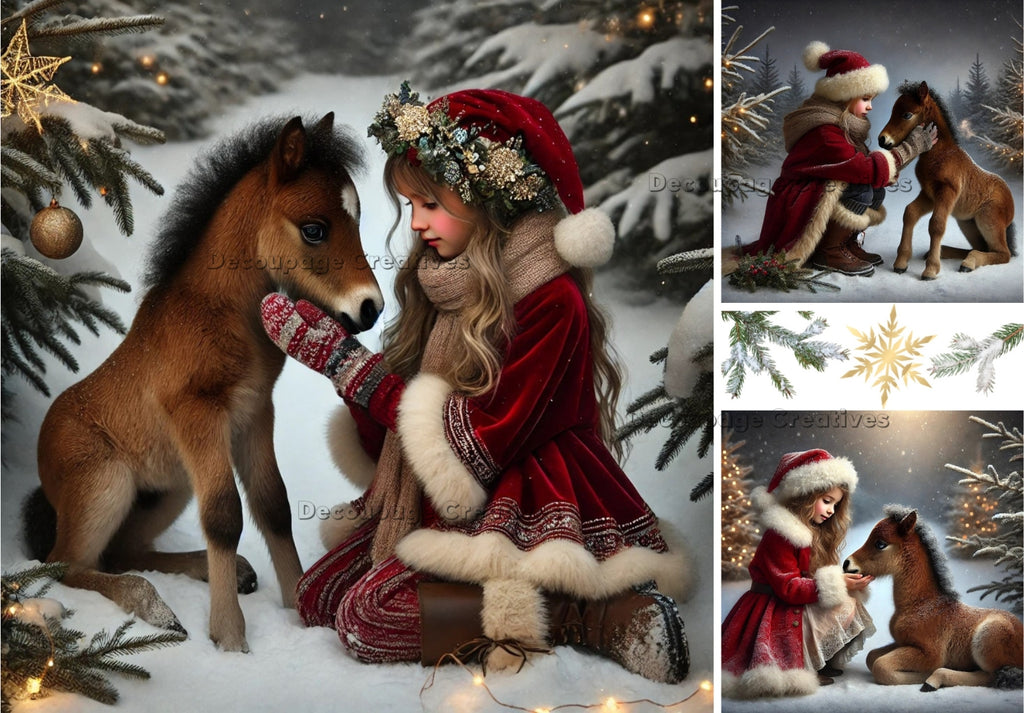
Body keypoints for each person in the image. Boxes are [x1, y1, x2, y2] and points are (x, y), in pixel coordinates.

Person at [259, 83, 691, 683]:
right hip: (448, 499)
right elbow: (399, 431)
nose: (414, 223)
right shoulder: (449, 283)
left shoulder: (550, 300)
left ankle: (589, 614)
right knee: (319, 594)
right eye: (408, 204)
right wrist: (340, 367)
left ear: (488, 199)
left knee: (370, 618)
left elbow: (475, 447)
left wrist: (348, 367)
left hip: (526, 494)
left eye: (429, 202)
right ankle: (532, 606)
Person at [740, 42, 937, 276]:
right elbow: (863, 169)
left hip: (814, 192)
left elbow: (871, 170)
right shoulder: (824, 131)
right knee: (862, 189)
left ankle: (845, 244)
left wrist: (895, 161)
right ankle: (829, 250)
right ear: (844, 95)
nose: (871, 106)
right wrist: (911, 147)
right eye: (866, 98)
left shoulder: (843, 126)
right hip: (797, 202)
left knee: (875, 191)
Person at [721, 449, 875, 698]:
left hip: (791, 602)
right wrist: (837, 583)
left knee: (848, 603)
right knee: (840, 603)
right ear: (805, 496)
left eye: (836, 504)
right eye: (826, 501)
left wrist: (845, 581)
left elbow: (808, 578)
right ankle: (804, 664)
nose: (831, 511)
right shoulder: (781, 533)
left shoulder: (811, 531)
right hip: (772, 608)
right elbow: (790, 588)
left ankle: (818, 659)